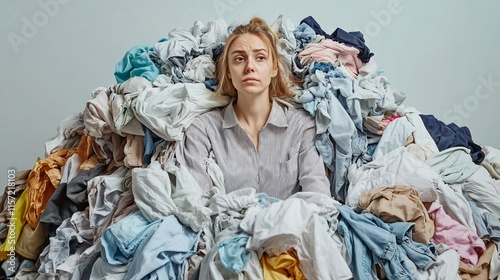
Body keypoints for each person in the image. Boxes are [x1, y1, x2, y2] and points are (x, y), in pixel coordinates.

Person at [175, 17, 331, 199]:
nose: (250, 67)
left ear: (273, 68)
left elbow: (318, 198)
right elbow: (196, 202)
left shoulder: (302, 127)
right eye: (239, 59)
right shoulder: (203, 129)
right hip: (223, 226)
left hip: (291, 226)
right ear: (228, 72)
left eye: (260, 58)